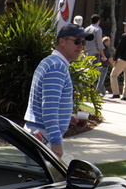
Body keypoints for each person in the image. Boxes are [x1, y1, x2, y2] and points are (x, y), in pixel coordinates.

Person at [23, 23, 89, 159]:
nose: (80, 47)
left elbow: (47, 102)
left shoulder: (51, 62)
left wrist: (68, 118)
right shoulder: (57, 67)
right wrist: (56, 141)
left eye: (82, 43)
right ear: (62, 41)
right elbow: (49, 107)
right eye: (77, 42)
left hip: (39, 133)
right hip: (44, 136)